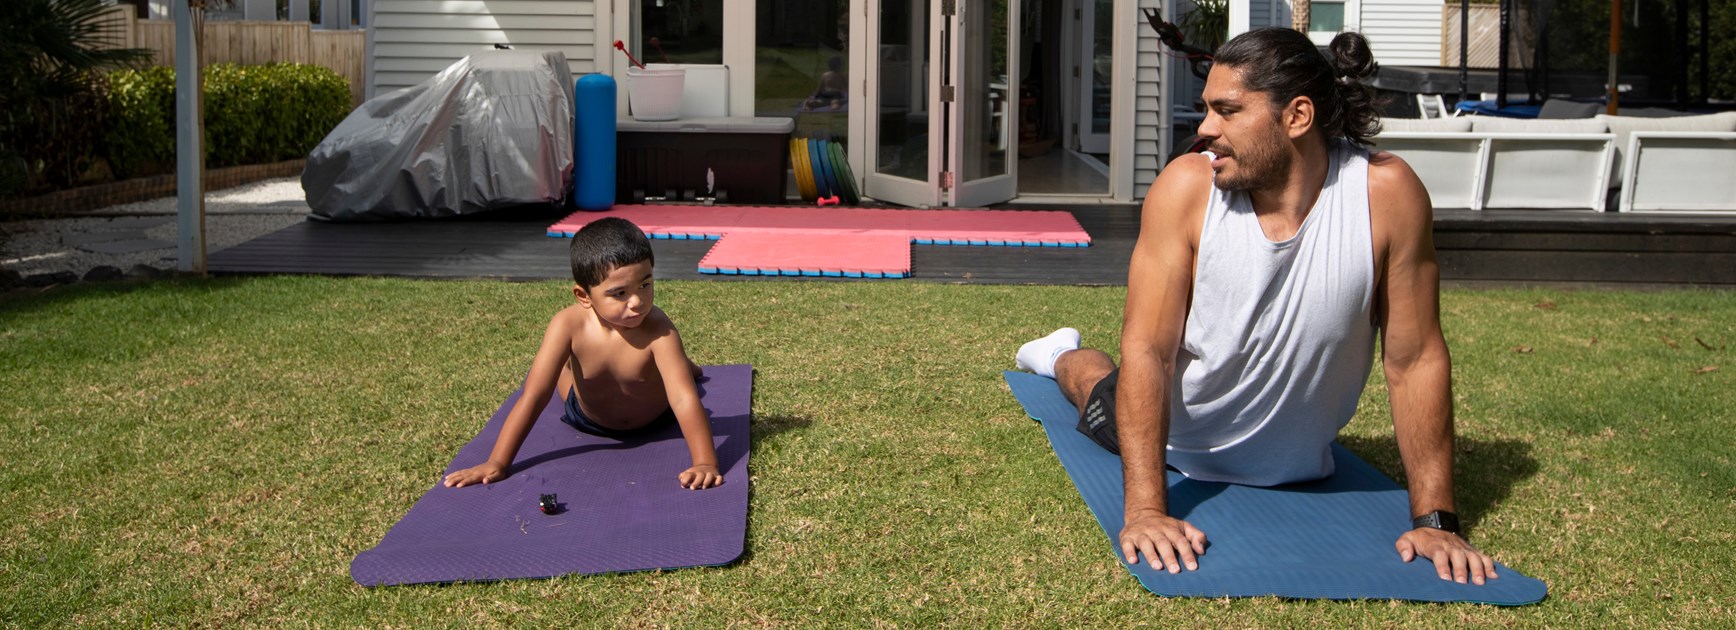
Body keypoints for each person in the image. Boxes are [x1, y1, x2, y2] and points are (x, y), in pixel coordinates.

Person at [1014, 28, 1498, 585]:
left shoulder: (1385, 195)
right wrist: (1147, 510)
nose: (1204, 129)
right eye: (1206, 110)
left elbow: (1415, 361)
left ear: (1296, 116)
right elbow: (1149, 349)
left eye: (1227, 110)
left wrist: (1436, 520)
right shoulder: (1186, 190)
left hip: (1299, 466)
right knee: (1097, 387)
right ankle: (1056, 353)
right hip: (1174, 438)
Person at [443, 217, 724, 490]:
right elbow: (535, 393)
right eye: (619, 293)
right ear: (584, 296)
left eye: (645, 285)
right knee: (560, 377)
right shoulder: (567, 324)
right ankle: (571, 364)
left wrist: (705, 463)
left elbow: (683, 398)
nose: (637, 301)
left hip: (655, 417)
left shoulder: (658, 328)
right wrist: (498, 462)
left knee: (679, 375)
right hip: (587, 416)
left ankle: (685, 366)